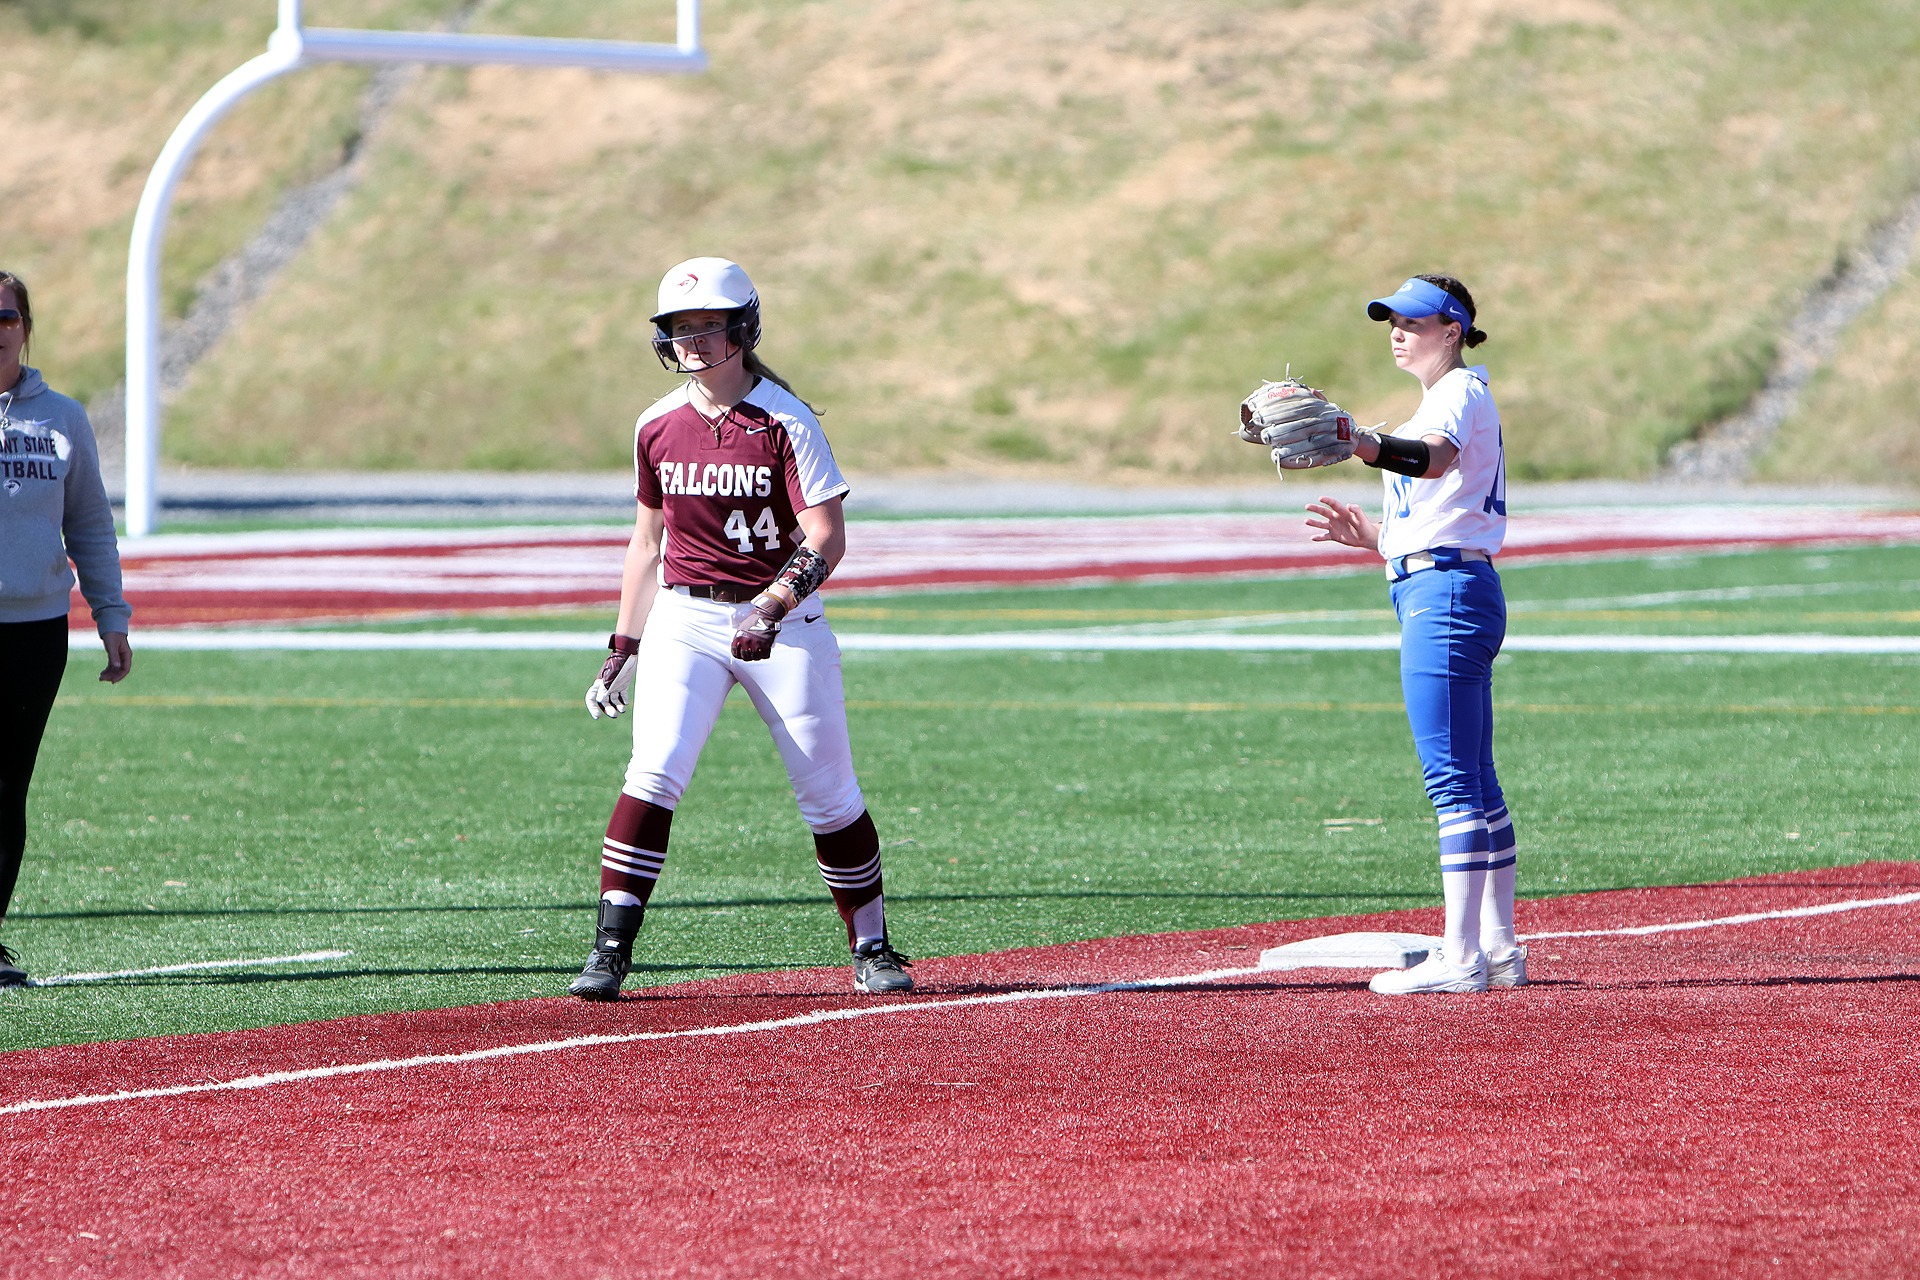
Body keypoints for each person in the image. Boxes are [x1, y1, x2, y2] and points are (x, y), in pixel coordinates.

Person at [568, 257, 913, 1001]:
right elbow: (646, 543)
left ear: (743, 327)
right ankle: (609, 950)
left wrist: (773, 605)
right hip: (685, 618)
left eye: (708, 325)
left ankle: (873, 944)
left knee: (827, 794)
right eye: (678, 328)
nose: (692, 340)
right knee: (653, 773)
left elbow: (826, 536)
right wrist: (622, 645)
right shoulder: (655, 423)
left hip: (782, 621)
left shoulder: (785, 419)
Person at [1304, 274, 1521, 995]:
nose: (1398, 330)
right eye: (1391, 320)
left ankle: (1461, 958)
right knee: (1476, 780)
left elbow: (1431, 458)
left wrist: (1362, 444)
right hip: (1445, 582)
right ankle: (1496, 948)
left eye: (1414, 321)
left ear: (1452, 328)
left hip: (1446, 594)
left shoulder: (1457, 392)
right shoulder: (1445, 397)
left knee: (1453, 781)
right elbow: (1437, 506)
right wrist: (1376, 536)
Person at [0, 269, 132, 989]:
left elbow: (89, 524)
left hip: (35, 629)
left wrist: (110, 615)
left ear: (25, 327)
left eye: (5, 317)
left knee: (7, 786)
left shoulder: (63, 419)